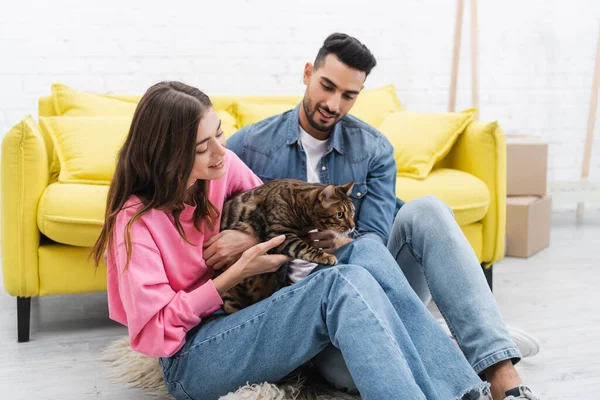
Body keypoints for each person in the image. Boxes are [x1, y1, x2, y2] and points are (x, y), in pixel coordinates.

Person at [91, 81, 493, 400]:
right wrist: (230, 278)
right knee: (336, 284)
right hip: (194, 358)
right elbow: (155, 334)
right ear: (166, 155)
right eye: (202, 147)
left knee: (365, 249)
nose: (220, 152)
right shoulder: (134, 223)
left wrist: (252, 235)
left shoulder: (221, 167)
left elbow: (268, 215)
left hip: (253, 317)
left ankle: (467, 392)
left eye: (220, 134)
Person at [226, 33, 540, 400]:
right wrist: (255, 239)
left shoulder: (373, 148)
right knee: (362, 371)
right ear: (308, 73)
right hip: (308, 316)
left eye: (348, 95)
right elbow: (218, 224)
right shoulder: (247, 147)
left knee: (428, 209)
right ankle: (454, 340)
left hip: (368, 281)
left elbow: (373, 240)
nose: (333, 104)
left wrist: (343, 242)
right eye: (326, 86)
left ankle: (503, 377)